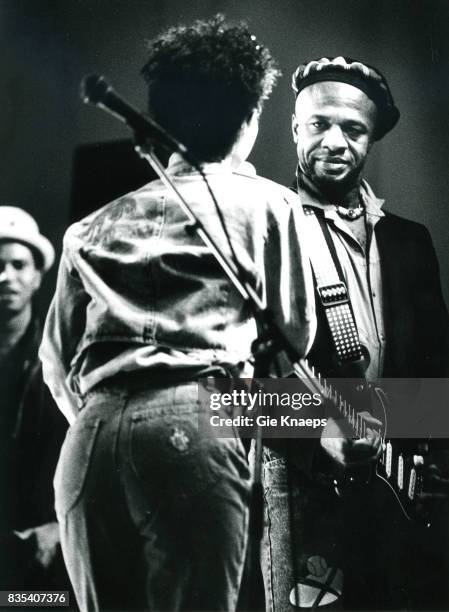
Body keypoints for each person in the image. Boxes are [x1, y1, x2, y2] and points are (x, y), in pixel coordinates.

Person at [39, 16, 315, 612]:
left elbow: (55, 361)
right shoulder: (271, 202)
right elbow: (295, 333)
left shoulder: (88, 227)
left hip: (89, 436)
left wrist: (108, 415)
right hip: (194, 418)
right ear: (248, 122)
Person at [262, 56, 449, 610]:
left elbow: (440, 377)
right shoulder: (267, 230)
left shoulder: (411, 241)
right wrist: (320, 434)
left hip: (409, 507)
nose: (336, 141)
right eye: (319, 124)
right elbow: (224, 399)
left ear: (372, 139)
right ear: (295, 128)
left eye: (354, 129)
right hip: (305, 507)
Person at [0, 206, 69, 591]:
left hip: (42, 548)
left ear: (38, 275)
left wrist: (55, 528)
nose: (5, 277)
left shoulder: (56, 360)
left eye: (18, 265)